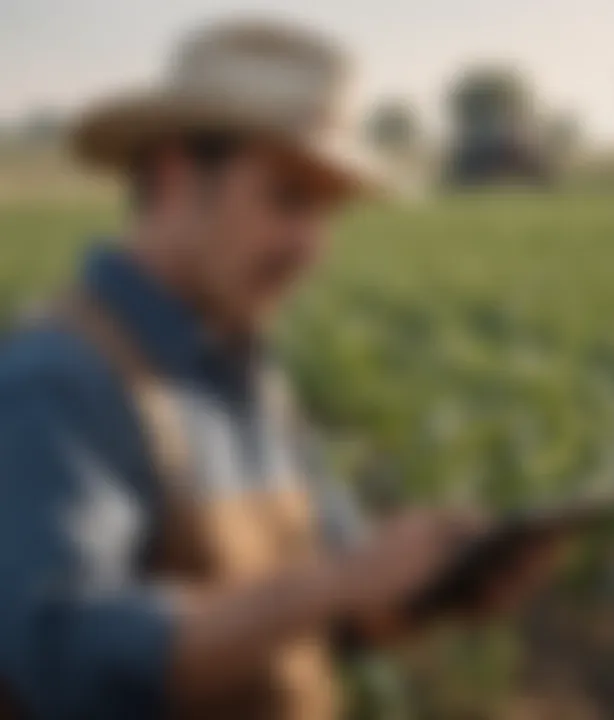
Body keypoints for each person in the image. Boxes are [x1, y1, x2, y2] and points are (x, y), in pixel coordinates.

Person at [0, 20, 562, 720]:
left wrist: (426, 592)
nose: (312, 247)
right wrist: (333, 583)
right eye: (288, 199)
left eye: (326, 212)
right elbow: (57, 656)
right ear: (177, 178)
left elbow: (320, 625)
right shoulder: (60, 377)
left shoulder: (250, 374)